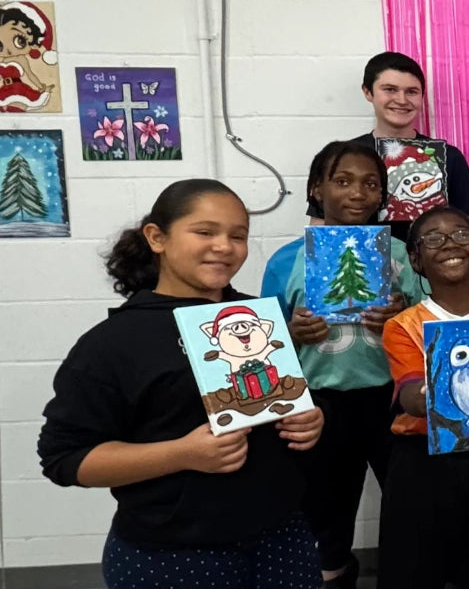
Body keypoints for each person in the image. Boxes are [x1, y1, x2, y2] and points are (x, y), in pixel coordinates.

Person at [38, 179, 326, 589]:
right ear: (157, 237)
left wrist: (310, 419)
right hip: (171, 553)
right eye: (205, 232)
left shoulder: (258, 321)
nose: (224, 246)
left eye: (238, 236)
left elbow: (278, 404)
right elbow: (64, 458)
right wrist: (182, 454)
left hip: (282, 538)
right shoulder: (113, 342)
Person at [261, 140, 428, 589]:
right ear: (317, 189)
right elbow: (261, 348)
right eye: (343, 181)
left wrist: (400, 317)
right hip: (320, 406)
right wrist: (292, 333)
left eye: (371, 184)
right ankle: (333, 576)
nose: (357, 193)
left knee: (410, 506)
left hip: (391, 401)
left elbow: (431, 327)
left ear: (382, 196)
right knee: (325, 514)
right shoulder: (285, 262)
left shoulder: (399, 257)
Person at [377, 207, 469, 588]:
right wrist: (429, 395)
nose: (449, 244)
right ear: (416, 259)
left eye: (461, 235)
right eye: (433, 238)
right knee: (413, 574)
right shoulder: (402, 325)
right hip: (421, 467)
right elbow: (411, 396)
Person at [305, 51, 469, 241]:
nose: (402, 100)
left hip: (429, 267)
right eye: (390, 89)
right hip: (359, 264)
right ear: (367, 92)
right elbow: (319, 229)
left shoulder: (449, 157)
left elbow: (468, 230)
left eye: (412, 92)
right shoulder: (340, 158)